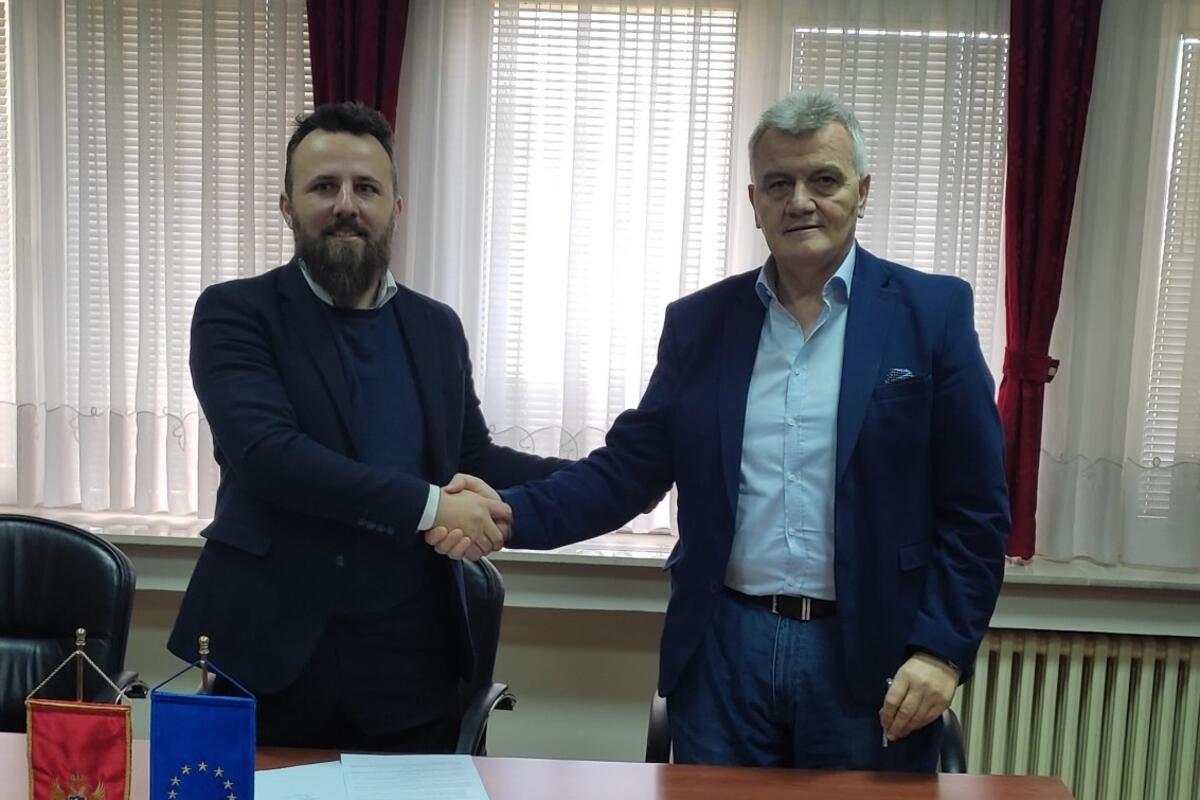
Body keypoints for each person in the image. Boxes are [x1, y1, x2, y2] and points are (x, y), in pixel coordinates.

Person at [430, 90, 1009, 771]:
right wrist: (505, 513)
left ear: (862, 192)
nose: (801, 201)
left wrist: (942, 650)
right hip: (725, 653)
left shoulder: (931, 313)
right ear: (755, 202)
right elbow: (625, 473)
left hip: (874, 654)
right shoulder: (701, 325)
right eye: (779, 184)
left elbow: (975, 510)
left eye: (824, 180)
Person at [169, 102, 564, 752]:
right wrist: (433, 505)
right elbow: (271, 457)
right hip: (271, 660)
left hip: (412, 667)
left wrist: (612, 477)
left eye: (367, 188)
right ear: (287, 206)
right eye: (324, 187)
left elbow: (471, 457)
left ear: (395, 209)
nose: (346, 206)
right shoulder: (235, 313)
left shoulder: (435, 327)